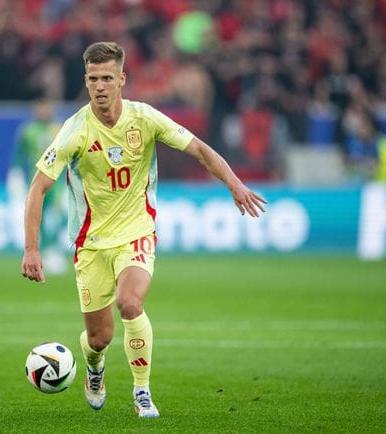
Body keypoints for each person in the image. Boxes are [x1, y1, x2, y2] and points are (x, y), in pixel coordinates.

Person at [21, 42, 266, 418]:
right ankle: (94, 368)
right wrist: (32, 249)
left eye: (107, 78)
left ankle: (142, 392)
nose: (100, 86)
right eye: (92, 79)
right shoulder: (74, 130)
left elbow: (199, 149)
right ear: (86, 82)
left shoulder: (145, 118)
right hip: (91, 243)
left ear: (122, 79)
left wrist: (235, 184)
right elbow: (38, 187)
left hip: (137, 231)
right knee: (99, 338)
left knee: (131, 303)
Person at [7, 99, 67, 274]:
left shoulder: (60, 128)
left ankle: (52, 247)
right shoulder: (27, 131)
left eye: (47, 106)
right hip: (35, 182)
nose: (44, 109)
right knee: (36, 217)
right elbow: (19, 155)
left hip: (57, 184)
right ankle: (44, 250)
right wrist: (15, 175)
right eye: (41, 106)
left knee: (60, 216)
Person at [346, 111, 386, 184]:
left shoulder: (385, 144)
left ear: (370, 127)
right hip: (363, 185)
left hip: (385, 185)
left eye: (362, 127)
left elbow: (377, 166)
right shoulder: (355, 143)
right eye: (358, 127)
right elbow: (349, 163)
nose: (358, 130)